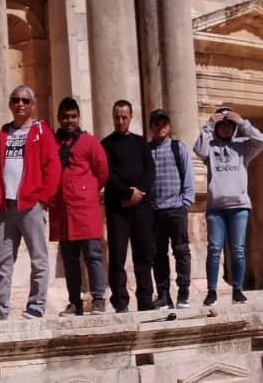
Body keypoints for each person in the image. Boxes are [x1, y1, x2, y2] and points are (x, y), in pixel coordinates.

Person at [0, 85, 61, 322]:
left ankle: (36, 305)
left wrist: (43, 200)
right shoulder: (1, 134)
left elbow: (53, 168)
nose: (20, 104)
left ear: (33, 105)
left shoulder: (41, 132)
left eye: (25, 100)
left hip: (31, 205)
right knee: (2, 261)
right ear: (10, 105)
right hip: (6, 206)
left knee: (38, 258)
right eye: (15, 100)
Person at [194, 107, 263, 306]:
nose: (225, 128)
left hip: (239, 207)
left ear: (234, 127)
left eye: (229, 125)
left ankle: (238, 290)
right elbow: (198, 149)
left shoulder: (243, 147)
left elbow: (260, 141)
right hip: (216, 209)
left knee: (238, 250)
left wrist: (242, 122)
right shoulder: (211, 147)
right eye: (222, 125)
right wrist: (209, 125)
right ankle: (212, 291)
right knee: (214, 249)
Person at [49, 98, 109, 316]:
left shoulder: (89, 142)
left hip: (85, 208)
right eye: (65, 117)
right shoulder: (54, 144)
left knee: (93, 255)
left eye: (73, 116)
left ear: (79, 117)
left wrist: (87, 190)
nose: (70, 121)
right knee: (70, 260)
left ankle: (99, 299)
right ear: (59, 119)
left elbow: (102, 171)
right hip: (64, 210)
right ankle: (75, 302)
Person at [101, 100, 156, 313]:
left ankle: (145, 298)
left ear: (131, 117)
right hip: (118, 207)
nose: (121, 121)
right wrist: (127, 193)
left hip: (141, 206)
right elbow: (108, 174)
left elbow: (150, 171)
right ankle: (120, 300)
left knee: (144, 253)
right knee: (117, 255)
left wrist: (139, 193)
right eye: (117, 117)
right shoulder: (106, 144)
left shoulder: (141, 143)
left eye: (124, 117)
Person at [147, 109, 195, 310]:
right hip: (155, 211)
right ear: (151, 127)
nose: (161, 127)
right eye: (157, 124)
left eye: (164, 123)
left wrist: (186, 201)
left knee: (181, 251)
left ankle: (183, 293)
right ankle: (164, 295)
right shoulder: (147, 150)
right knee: (158, 254)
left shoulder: (178, 147)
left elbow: (188, 174)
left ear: (169, 126)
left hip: (176, 208)